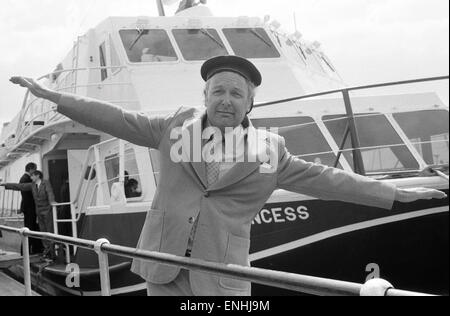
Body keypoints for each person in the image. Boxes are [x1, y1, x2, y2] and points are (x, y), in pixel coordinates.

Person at [9, 55, 446, 296]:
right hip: (163, 268)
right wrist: (56, 98)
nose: (226, 99)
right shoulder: (175, 127)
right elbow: (117, 119)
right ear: (205, 95)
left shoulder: (269, 151)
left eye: (236, 93)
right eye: (218, 90)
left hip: (221, 279)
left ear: (249, 105)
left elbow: (326, 179)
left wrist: (393, 194)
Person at [1, 170, 56, 261]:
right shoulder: (32, 185)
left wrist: (52, 202)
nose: (31, 178)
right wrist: (5, 185)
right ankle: (47, 251)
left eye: (32, 176)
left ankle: (52, 252)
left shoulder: (45, 183)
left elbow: (50, 193)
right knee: (43, 232)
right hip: (39, 211)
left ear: (37, 176)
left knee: (49, 231)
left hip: (47, 211)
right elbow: (20, 186)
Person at [19, 162, 43, 255]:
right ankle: (26, 251)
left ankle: (34, 249)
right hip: (30, 209)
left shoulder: (24, 178)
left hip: (29, 208)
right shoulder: (26, 179)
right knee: (29, 229)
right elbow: (30, 195)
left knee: (32, 228)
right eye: (35, 169)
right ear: (31, 169)